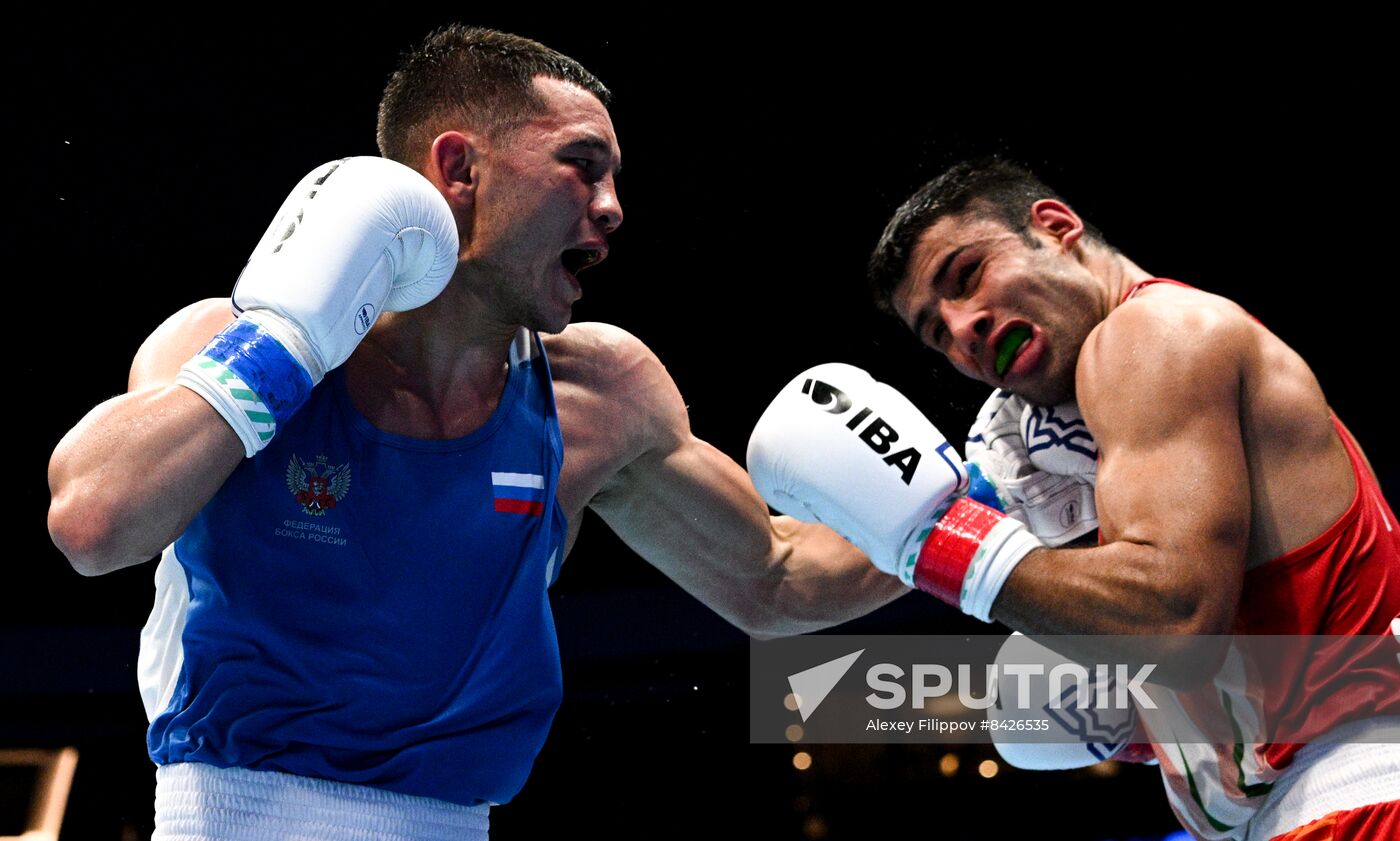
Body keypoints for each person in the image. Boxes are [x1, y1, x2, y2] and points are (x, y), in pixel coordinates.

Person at [44, 26, 903, 839]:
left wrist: (984, 522)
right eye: (582, 167)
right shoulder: (229, 346)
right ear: (458, 167)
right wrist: (289, 343)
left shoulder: (597, 392)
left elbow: (776, 576)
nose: (613, 209)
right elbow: (92, 523)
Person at [747, 159, 1399, 841]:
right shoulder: (1048, 446)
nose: (963, 327)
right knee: (1032, 690)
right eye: (936, 332)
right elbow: (775, 582)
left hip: (1356, 798)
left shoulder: (1149, 333)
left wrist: (938, 541)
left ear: (1056, 228)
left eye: (968, 276)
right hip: (1301, 808)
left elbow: (1172, 621)